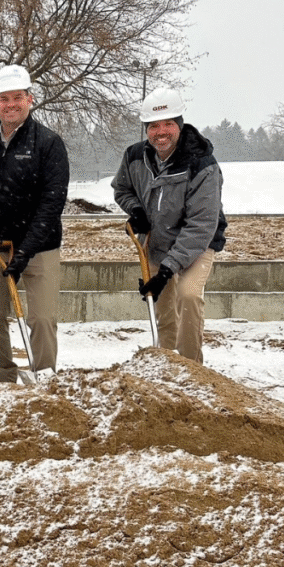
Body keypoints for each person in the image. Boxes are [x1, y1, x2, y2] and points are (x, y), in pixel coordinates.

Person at [0, 64, 70, 383]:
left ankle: (43, 375)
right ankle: (3, 375)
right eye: (4, 99)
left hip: (40, 247)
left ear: (30, 99)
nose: (11, 104)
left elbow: (52, 202)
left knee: (42, 318)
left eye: (18, 97)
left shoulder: (48, 143)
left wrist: (25, 252)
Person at [112, 88, 227, 364]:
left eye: (168, 124)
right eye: (153, 126)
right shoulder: (134, 157)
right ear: (146, 128)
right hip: (157, 240)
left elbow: (201, 225)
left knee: (187, 296)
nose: (160, 132)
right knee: (161, 302)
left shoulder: (202, 164)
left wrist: (167, 271)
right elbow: (122, 189)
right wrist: (136, 209)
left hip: (198, 243)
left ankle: (190, 367)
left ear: (180, 124)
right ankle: (165, 365)